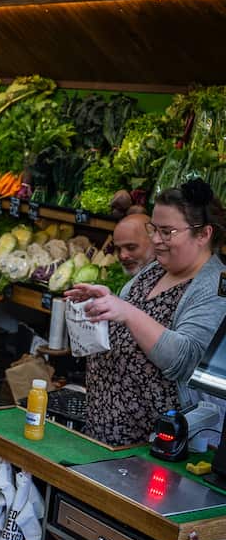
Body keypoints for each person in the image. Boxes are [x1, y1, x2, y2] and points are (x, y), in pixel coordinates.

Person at [65, 179, 226, 447]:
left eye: (167, 232)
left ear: (203, 234)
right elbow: (127, 323)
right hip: (106, 435)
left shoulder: (215, 288)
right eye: (153, 229)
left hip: (153, 449)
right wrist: (104, 302)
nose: (155, 240)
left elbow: (185, 360)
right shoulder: (154, 271)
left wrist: (127, 311)